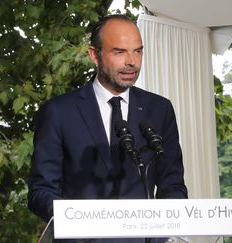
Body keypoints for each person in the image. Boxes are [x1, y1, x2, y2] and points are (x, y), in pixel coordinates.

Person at [27, 14, 188, 243]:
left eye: (138, 51)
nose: (131, 61)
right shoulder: (59, 112)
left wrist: (159, 238)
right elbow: (40, 191)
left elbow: (172, 186)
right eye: (119, 52)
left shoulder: (159, 109)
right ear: (95, 54)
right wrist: (79, 222)